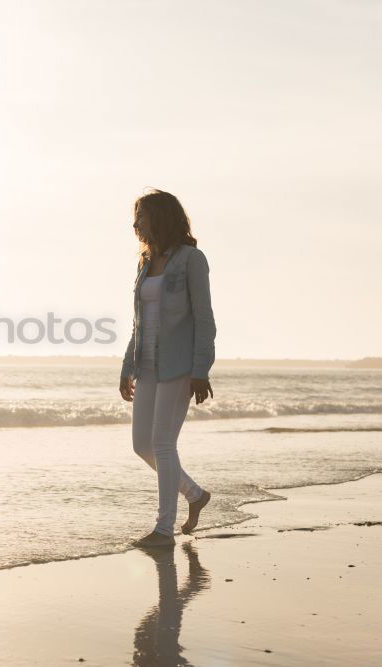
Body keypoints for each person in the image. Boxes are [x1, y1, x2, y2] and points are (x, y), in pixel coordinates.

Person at [119, 188, 216, 549]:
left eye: (141, 215)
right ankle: (194, 495)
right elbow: (137, 323)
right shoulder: (144, 264)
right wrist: (127, 366)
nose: (136, 223)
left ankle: (164, 530)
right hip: (145, 363)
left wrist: (200, 369)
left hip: (178, 364)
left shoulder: (192, 260)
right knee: (142, 444)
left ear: (159, 217)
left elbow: (204, 319)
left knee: (162, 444)